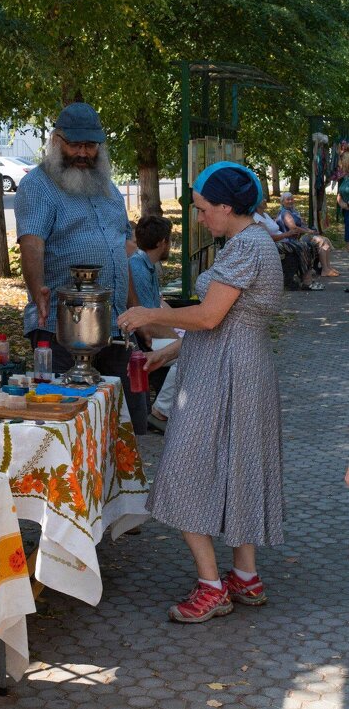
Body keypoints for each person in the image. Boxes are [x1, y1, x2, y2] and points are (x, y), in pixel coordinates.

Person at [118, 161, 285, 623]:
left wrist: (149, 315)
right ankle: (245, 576)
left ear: (227, 207)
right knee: (237, 468)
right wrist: (166, 355)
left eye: (203, 208)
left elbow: (210, 319)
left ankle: (212, 586)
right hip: (236, 370)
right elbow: (220, 325)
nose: (199, 217)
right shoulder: (247, 243)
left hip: (229, 377)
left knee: (185, 469)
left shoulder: (246, 247)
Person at [14, 102, 147, 434]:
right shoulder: (38, 186)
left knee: (120, 425)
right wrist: (37, 291)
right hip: (63, 326)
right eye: (76, 144)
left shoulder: (109, 188)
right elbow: (31, 242)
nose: (84, 153)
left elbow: (122, 249)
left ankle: (119, 484)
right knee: (69, 423)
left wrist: (135, 306)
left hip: (114, 325)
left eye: (91, 145)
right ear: (57, 140)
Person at [128, 215, 183, 431]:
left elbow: (158, 305)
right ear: (162, 243)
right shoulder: (139, 268)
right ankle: (160, 411)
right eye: (170, 240)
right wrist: (177, 338)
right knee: (190, 353)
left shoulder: (146, 264)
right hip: (143, 339)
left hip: (154, 333)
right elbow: (146, 322)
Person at [254, 199, 323, 290]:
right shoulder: (255, 217)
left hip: (283, 240)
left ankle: (306, 276)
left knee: (310, 245)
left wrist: (290, 234)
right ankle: (307, 281)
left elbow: (276, 229)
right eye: (262, 198)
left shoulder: (265, 215)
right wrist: (287, 234)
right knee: (303, 247)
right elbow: (268, 237)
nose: (265, 200)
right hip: (272, 244)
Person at [276, 192, 339, 276]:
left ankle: (327, 267)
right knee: (321, 241)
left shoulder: (293, 211)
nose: (290, 201)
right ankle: (325, 269)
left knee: (325, 239)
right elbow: (293, 228)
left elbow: (302, 225)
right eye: (288, 199)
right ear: (282, 202)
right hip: (290, 240)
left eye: (292, 199)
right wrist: (308, 232)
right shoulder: (285, 213)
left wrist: (311, 231)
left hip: (299, 237)